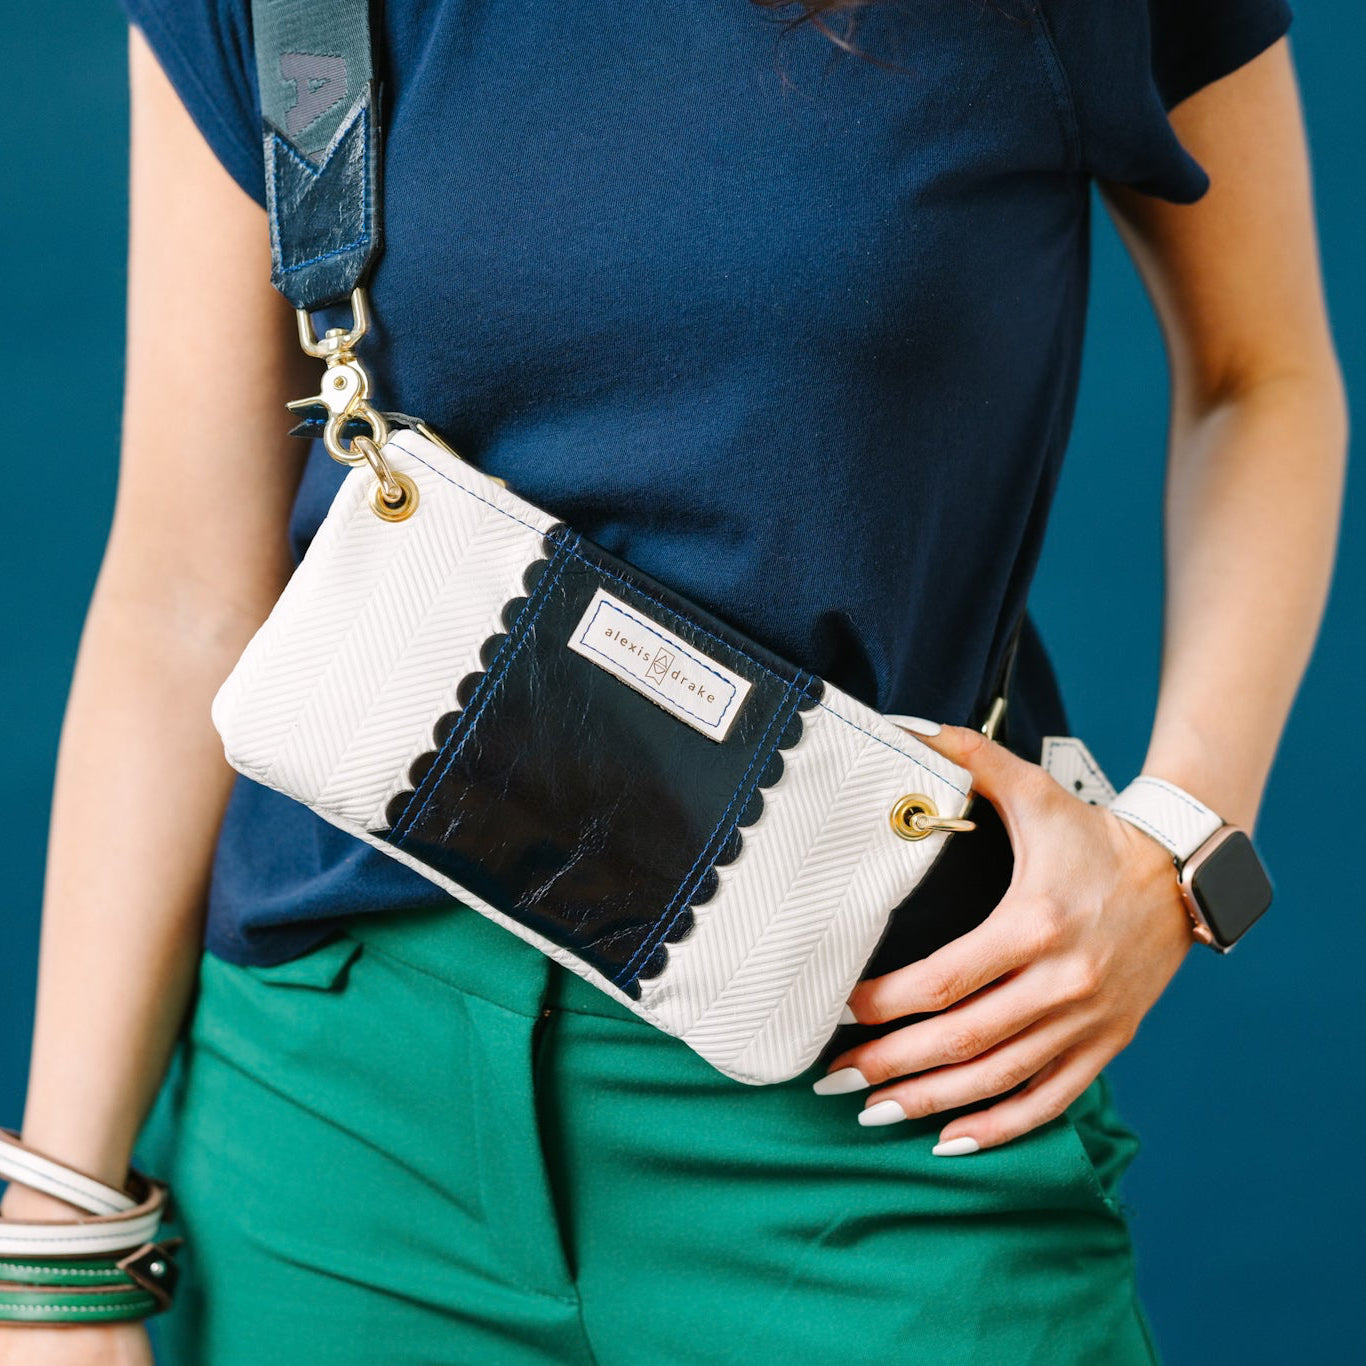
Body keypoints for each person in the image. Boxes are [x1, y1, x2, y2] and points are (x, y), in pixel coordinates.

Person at [0, 0, 1346, 1361]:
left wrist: (1180, 846)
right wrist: (59, 1230)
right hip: (332, 1138)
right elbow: (185, 586)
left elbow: (1263, 374)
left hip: (872, 1096)